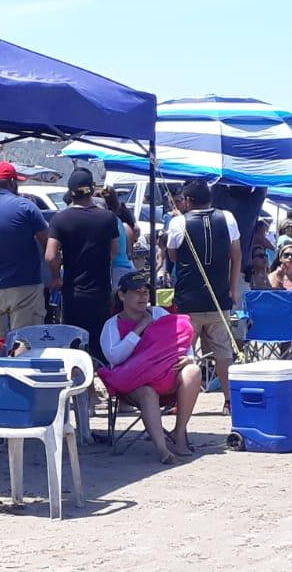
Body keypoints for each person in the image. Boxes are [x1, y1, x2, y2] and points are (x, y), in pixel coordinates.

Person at [98, 272, 202, 464]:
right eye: (137, 292)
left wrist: (189, 358)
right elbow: (115, 357)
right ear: (122, 295)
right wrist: (140, 328)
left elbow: (182, 339)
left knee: (193, 371)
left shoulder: (160, 314)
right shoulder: (112, 325)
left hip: (167, 376)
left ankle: (179, 435)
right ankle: (162, 449)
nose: (143, 296)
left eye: (146, 292)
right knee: (147, 391)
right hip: (134, 384)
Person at [166, 179, 242, 411]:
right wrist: (232, 287)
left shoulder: (179, 222)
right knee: (223, 352)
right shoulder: (227, 217)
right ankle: (229, 401)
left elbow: (172, 256)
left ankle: (179, 401)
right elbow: (236, 255)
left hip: (189, 300)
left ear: (188, 200)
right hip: (219, 296)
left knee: (184, 353)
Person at [46, 169, 120, 360]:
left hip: (73, 290)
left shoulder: (60, 219)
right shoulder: (107, 218)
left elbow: (50, 255)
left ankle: (78, 379)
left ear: (70, 192)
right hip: (101, 289)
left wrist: (56, 276)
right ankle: (101, 378)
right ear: (92, 189)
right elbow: (114, 251)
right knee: (100, 341)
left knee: (75, 341)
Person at [0, 162, 48, 336]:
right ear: (12, 182)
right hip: (25, 284)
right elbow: (47, 242)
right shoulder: (25, 207)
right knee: (26, 341)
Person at [99, 184, 139, 293]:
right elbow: (129, 253)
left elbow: (111, 252)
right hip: (128, 268)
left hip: (115, 272)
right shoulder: (121, 224)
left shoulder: (106, 223)